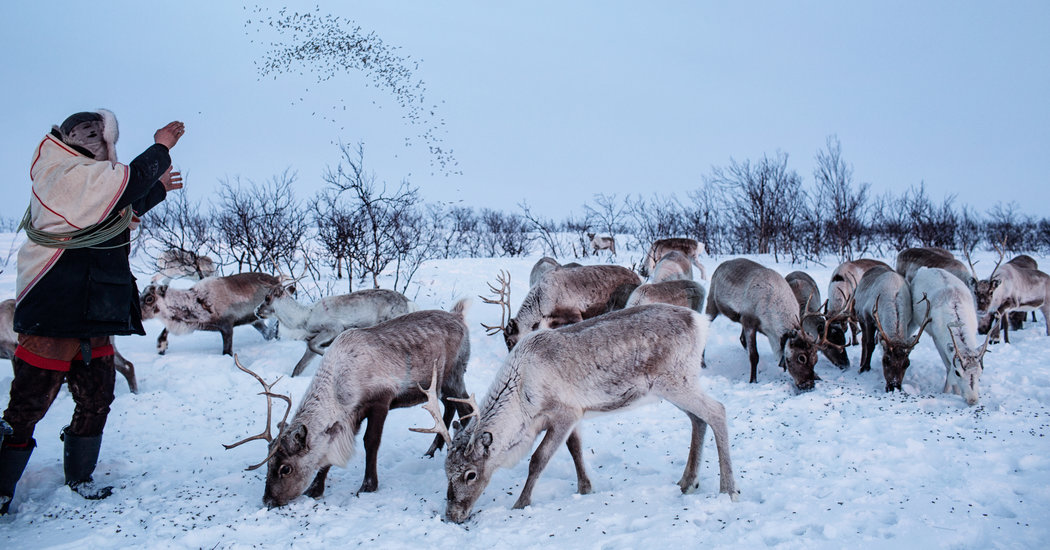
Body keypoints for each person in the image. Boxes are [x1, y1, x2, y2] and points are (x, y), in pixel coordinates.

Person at [0, 109, 185, 514]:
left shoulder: (84, 180)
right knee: (28, 405)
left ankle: (80, 478)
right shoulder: (61, 174)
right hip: (55, 309)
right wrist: (161, 147)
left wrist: (156, 192)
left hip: (93, 308)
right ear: (85, 138)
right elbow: (118, 189)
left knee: (98, 396)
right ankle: (1, 488)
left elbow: (113, 213)